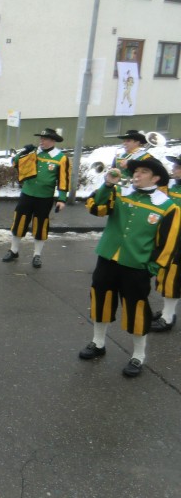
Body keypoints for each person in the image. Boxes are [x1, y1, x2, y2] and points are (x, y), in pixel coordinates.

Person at [79, 158, 179, 377]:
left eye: (144, 172)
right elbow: (95, 208)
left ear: (156, 178)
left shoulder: (167, 206)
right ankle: (98, 343)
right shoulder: (120, 194)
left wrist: (150, 268)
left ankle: (138, 355)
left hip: (136, 266)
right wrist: (107, 185)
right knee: (101, 301)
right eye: (136, 171)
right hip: (107, 258)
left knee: (136, 310)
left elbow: (167, 244)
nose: (137, 175)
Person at [2, 128, 70, 268]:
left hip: (44, 197)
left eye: (44, 139)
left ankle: (37, 255)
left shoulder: (60, 158)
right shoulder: (33, 152)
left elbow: (64, 180)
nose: (41, 141)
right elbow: (15, 163)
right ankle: (14, 250)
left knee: (40, 225)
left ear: (53, 141)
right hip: (27, 193)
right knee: (19, 221)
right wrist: (23, 152)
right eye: (41, 138)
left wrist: (62, 199)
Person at [152, 155, 181, 332]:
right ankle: (167, 311)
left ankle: (168, 318)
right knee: (166, 275)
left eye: (177, 167)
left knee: (173, 279)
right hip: (171, 237)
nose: (174, 169)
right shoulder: (173, 185)